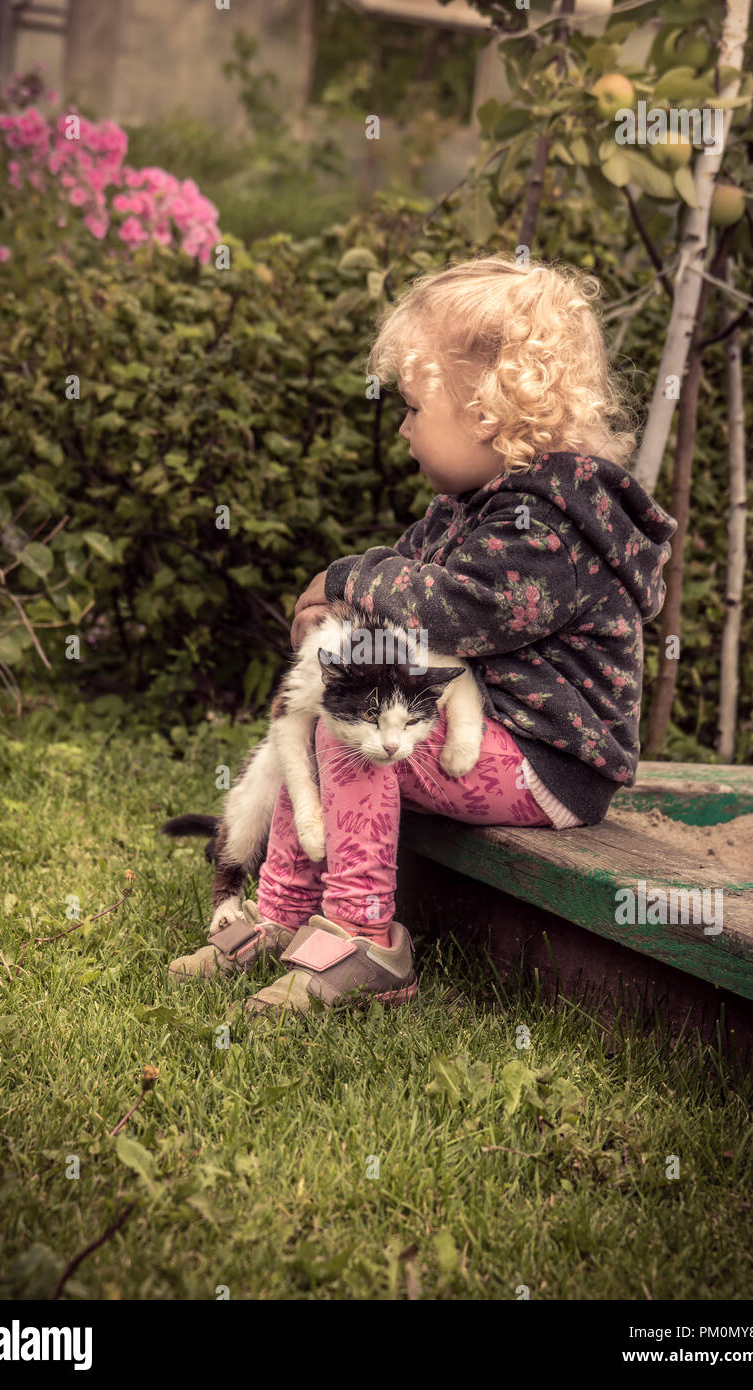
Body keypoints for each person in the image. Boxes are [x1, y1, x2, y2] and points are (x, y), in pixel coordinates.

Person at [170, 252, 677, 1014]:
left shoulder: (550, 527)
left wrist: (345, 579)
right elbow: (402, 597)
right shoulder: (469, 506)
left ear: (484, 414)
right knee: (330, 718)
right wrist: (340, 616)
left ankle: (363, 936)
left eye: (411, 406)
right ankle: (279, 914)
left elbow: (452, 608)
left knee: (353, 731)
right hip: (486, 738)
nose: (402, 425)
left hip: (544, 761)